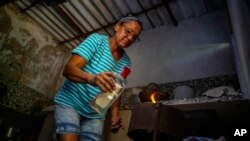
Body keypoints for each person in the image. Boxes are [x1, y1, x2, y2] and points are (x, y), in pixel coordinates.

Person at [54, 14, 143, 141]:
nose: (130, 38)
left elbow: (116, 90)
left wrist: (115, 115)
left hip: (95, 114)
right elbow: (69, 70)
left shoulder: (126, 63)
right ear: (117, 27)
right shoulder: (97, 40)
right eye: (128, 31)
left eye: (134, 37)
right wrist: (93, 79)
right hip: (71, 102)